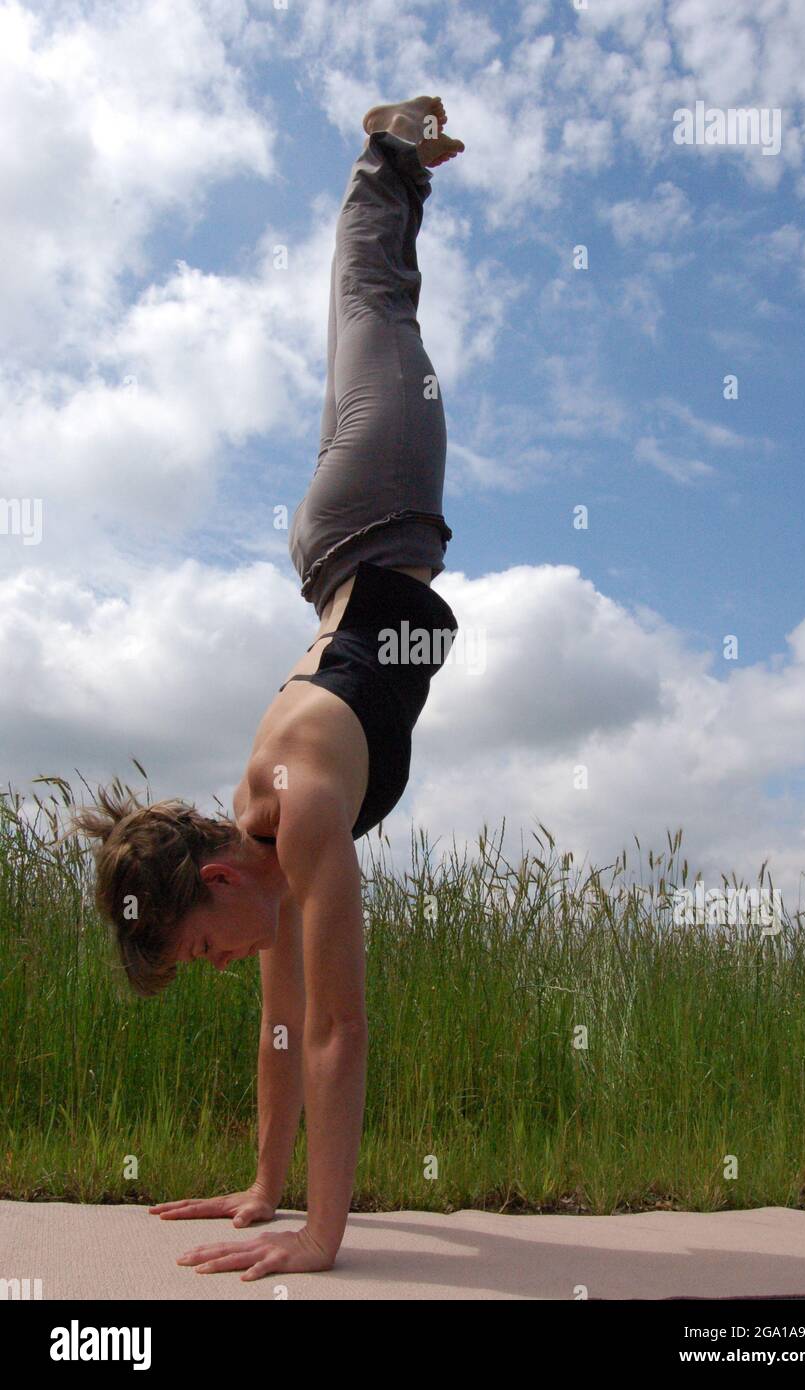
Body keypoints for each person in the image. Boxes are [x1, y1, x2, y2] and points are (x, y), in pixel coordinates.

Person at [71, 97, 465, 1277]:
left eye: (199, 947)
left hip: (378, 513)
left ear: (222, 874)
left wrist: (321, 1239)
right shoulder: (273, 851)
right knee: (368, 322)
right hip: (346, 547)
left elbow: (342, 1028)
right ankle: (392, 174)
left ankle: (386, 156)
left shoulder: (293, 806)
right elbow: (287, 1028)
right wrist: (261, 1186)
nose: (222, 963)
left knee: (373, 310)